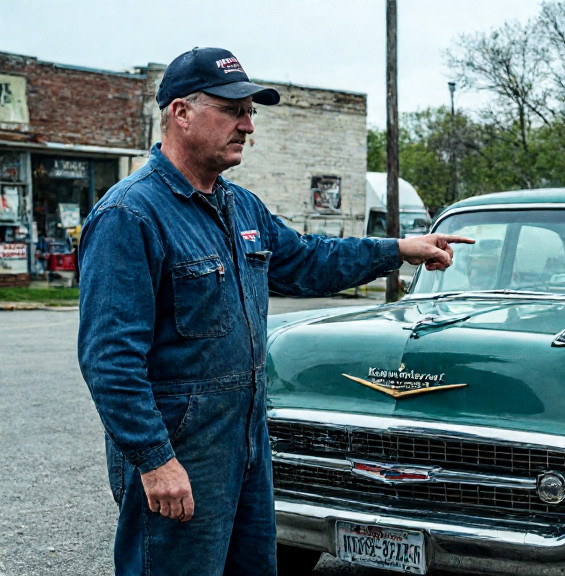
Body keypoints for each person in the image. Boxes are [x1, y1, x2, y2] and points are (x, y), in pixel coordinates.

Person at [76, 46, 474, 576]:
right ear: (181, 112)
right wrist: (155, 460)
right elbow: (110, 360)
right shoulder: (130, 215)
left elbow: (310, 260)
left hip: (247, 452)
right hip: (182, 459)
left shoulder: (241, 207)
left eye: (251, 113)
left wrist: (398, 249)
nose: (247, 125)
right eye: (233, 109)